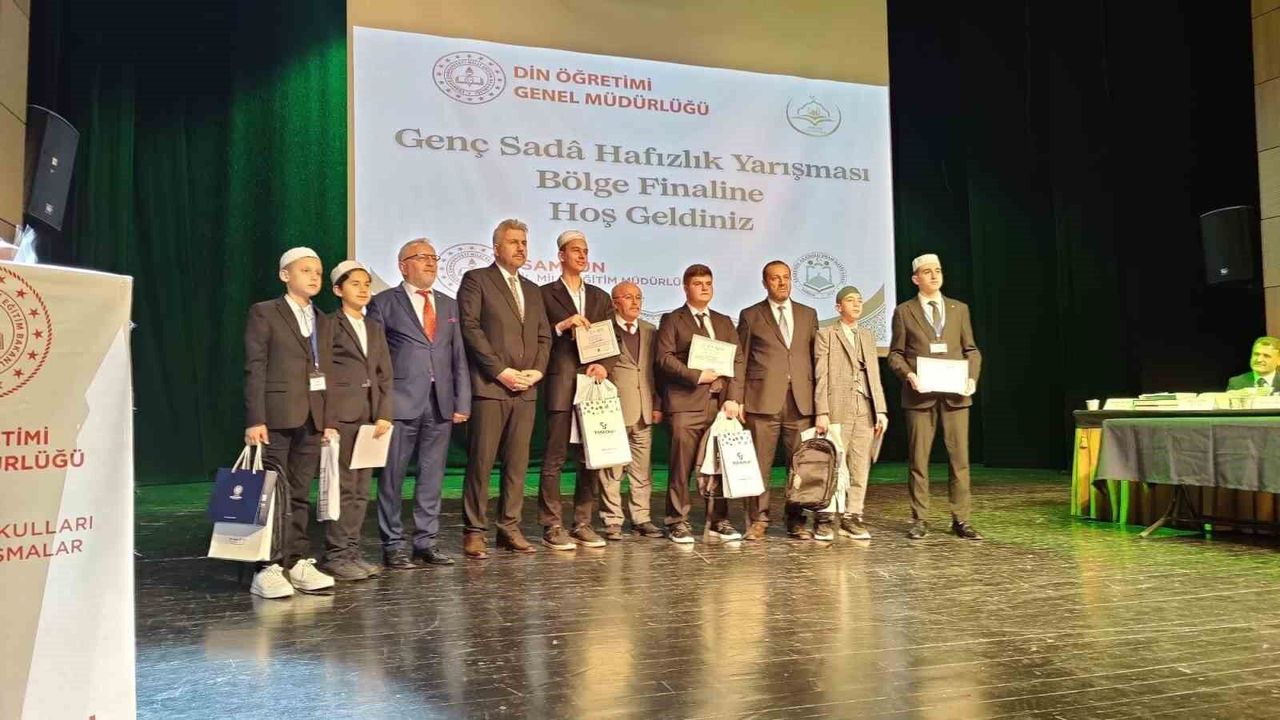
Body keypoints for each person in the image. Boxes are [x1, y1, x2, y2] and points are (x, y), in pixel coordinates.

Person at [367, 239, 471, 570]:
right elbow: (376, 360)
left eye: (433, 257)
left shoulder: (449, 304)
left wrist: (462, 401)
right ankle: (392, 544)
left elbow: (458, 356)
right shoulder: (384, 302)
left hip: (440, 403)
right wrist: (381, 406)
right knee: (392, 477)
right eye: (422, 257)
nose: (430, 263)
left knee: (432, 476)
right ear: (403, 266)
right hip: (399, 404)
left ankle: (426, 541)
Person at [242, 247, 336, 599]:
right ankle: (266, 566)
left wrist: (327, 419)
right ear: (285, 275)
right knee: (269, 494)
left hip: (312, 418)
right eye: (305, 270)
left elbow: (327, 371)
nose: (314, 277)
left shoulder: (323, 319)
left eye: (318, 272)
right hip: (276, 417)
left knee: (299, 493)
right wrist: (255, 418)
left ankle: (296, 560)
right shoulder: (265, 312)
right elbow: (255, 367)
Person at [456, 219, 551, 559]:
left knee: (517, 464)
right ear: (496, 248)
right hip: (491, 387)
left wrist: (537, 371)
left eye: (524, 242)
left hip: (526, 389)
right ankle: (474, 531)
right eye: (513, 242)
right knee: (481, 463)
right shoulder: (477, 280)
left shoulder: (533, 289)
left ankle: (509, 527)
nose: (521, 247)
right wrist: (500, 371)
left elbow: (544, 336)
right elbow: (470, 328)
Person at [888, 253, 983, 541]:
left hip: (956, 396)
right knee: (919, 460)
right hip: (920, 396)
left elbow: (971, 350)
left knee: (960, 460)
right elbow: (895, 354)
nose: (934, 275)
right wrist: (909, 375)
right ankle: (920, 519)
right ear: (915, 278)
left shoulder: (959, 309)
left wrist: (971, 378)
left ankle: (961, 519)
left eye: (938, 270)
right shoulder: (904, 311)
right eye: (928, 271)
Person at [656, 264, 746, 544]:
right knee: (681, 467)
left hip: (720, 406)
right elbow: (664, 358)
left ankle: (718, 520)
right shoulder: (672, 319)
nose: (705, 288)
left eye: (708, 283)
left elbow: (738, 360)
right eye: (698, 284)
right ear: (686, 288)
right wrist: (696, 376)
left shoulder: (723, 321)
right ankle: (677, 520)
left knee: (720, 464)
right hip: (685, 404)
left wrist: (733, 397)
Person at [537, 230, 613, 550]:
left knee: (590, 457)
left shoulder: (600, 296)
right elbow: (538, 335)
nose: (582, 255)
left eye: (585, 250)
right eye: (575, 250)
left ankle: (583, 522)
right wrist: (562, 325)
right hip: (561, 382)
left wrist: (604, 365)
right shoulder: (544, 294)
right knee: (554, 458)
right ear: (561, 256)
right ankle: (552, 525)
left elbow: (611, 340)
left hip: (591, 386)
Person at [321, 260, 393, 581]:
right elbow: (322, 373)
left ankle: (352, 551)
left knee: (361, 488)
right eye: (355, 284)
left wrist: (384, 413)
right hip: (342, 417)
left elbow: (384, 374)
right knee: (343, 487)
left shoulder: (374, 327)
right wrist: (328, 419)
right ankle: (336, 555)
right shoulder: (328, 325)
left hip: (370, 419)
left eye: (367, 284)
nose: (363, 289)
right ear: (338, 290)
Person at [735, 260, 818, 540]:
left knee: (800, 466)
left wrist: (821, 404)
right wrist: (738, 399)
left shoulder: (808, 314)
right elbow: (740, 360)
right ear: (765, 283)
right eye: (775, 278)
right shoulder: (751, 315)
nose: (782, 283)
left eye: (786, 277)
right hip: (762, 401)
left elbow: (816, 359)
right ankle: (758, 520)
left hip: (801, 402)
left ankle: (796, 520)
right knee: (759, 465)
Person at [814, 286, 888, 542]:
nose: (856, 304)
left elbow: (874, 376)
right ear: (838, 307)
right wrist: (822, 411)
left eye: (859, 300)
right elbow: (821, 375)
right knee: (833, 463)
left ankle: (852, 515)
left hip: (864, 407)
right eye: (850, 300)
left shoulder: (866, 335)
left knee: (860, 464)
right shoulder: (826, 334)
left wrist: (880, 410)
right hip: (837, 407)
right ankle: (825, 516)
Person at [597, 281, 665, 540]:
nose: (635, 302)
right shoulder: (604, 329)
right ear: (615, 303)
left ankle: (642, 518)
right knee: (612, 470)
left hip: (645, 409)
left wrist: (657, 404)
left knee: (641, 470)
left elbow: (655, 372)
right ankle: (613, 520)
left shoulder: (650, 330)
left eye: (638, 297)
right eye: (628, 297)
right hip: (613, 410)